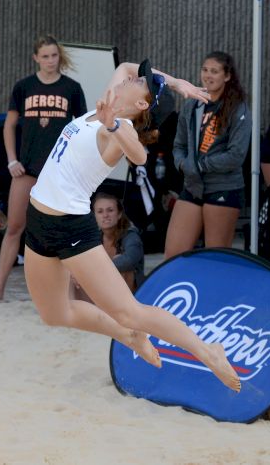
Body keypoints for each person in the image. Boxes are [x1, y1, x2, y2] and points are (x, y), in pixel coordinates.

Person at [23, 60, 241, 392]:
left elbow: (138, 156)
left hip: (70, 229)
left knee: (130, 311)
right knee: (54, 314)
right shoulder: (110, 99)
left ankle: (207, 351)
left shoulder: (118, 127)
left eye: (141, 83)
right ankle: (128, 338)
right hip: (38, 219)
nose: (133, 78)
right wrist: (178, 83)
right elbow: (126, 65)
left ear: (141, 104)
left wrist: (114, 127)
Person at [0, 35, 86, 303]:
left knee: (62, 231)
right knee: (14, 227)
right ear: (35, 58)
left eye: (54, 55)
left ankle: (68, 292)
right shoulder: (23, 87)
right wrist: (12, 160)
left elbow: (82, 127)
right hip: (26, 170)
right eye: (46, 56)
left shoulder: (71, 88)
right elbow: (9, 125)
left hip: (59, 170)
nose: (51, 61)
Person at [165, 52, 252, 256]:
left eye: (214, 71)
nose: (208, 75)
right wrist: (182, 164)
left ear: (227, 76)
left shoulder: (239, 108)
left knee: (216, 257)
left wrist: (200, 165)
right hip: (192, 185)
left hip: (224, 188)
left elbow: (236, 155)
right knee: (173, 256)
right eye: (205, 70)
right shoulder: (191, 105)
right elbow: (178, 146)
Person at [73, 192, 145, 301]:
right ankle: (84, 314)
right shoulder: (94, 237)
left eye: (110, 210)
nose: (105, 215)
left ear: (119, 214)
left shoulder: (131, 236)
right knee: (73, 275)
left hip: (134, 296)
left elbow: (129, 260)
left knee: (122, 267)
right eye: (100, 211)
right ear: (95, 216)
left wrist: (96, 268)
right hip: (104, 291)